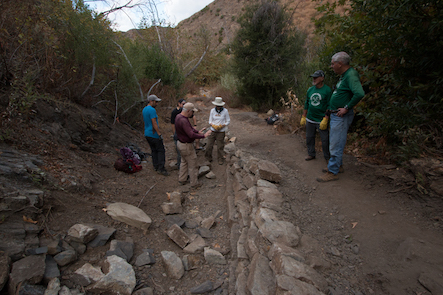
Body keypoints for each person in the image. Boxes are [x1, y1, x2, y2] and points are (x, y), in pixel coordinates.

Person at [317, 52, 365, 182]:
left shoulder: (351, 75)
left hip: (341, 116)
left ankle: (332, 172)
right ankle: (338, 166)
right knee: (336, 141)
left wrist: (347, 107)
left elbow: (359, 93)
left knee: (335, 143)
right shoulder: (345, 76)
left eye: (333, 64)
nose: (331, 66)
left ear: (340, 63)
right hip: (336, 114)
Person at [175, 103, 212, 188]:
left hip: (180, 143)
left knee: (184, 162)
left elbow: (189, 128)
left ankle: (182, 179)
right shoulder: (183, 120)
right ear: (188, 111)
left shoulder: (179, 117)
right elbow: (191, 135)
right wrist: (203, 136)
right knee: (193, 165)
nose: (193, 114)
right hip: (186, 145)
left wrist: (197, 131)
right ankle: (194, 183)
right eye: (192, 112)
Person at [300, 70, 332, 162]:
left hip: (321, 119)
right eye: (313, 77)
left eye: (316, 77)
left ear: (322, 78)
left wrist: (326, 118)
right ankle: (311, 154)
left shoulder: (327, 90)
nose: (314, 79)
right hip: (310, 118)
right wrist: (304, 116)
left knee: (325, 140)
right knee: (309, 137)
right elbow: (306, 103)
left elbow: (329, 105)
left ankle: (327, 157)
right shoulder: (310, 90)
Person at [142, 94, 169, 176]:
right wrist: (159, 133)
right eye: (155, 102)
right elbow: (154, 122)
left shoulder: (144, 109)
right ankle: (161, 168)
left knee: (154, 150)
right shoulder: (152, 110)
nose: (157, 104)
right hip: (153, 133)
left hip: (147, 133)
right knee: (161, 150)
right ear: (151, 101)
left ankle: (156, 166)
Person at [205, 97, 230, 165]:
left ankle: (220, 158)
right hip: (213, 130)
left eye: (219, 105)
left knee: (220, 146)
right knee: (209, 145)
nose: (218, 107)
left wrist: (222, 125)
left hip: (221, 131)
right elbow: (210, 120)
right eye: (217, 105)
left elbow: (228, 120)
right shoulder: (212, 110)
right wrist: (213, 125)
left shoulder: (225, 111)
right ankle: (208, 157)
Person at [171, 98, 186, 169]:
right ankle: (180, 165)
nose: (184, 105)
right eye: (183, 104)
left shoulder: (185, 111)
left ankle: (182, 164)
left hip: (183, 132)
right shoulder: (174, 112)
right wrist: (174, 132)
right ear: (179, 104)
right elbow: (172, 123)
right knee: (179, 150)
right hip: (177, 132)